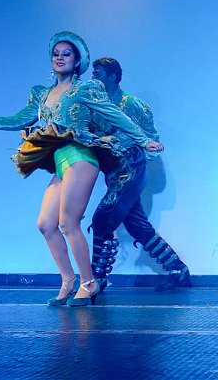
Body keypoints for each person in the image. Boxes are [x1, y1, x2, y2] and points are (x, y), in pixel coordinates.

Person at [0, 32, 163, 307]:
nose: (59, 57)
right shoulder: (41, 94)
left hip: (81, 158)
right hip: (61, 163)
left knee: (68, 223)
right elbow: (18, 119)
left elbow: (115, 114)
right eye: (56, 53)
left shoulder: (84, 89)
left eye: (66, 54)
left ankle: (89, 283)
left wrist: (143, 139)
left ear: (77, 60)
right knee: (45, 224)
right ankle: (68, 280)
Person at [90, 57, 190, 290]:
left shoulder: (134, 104)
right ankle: (178, 269)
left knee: (102, 218)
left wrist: (134, 153)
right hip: (113, 172)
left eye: (98, 73)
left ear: (112, 76)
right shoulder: (94, 106)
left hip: (132, 168)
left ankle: (97, 278)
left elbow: (153, 138)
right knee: (136, 225)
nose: (93, 76)